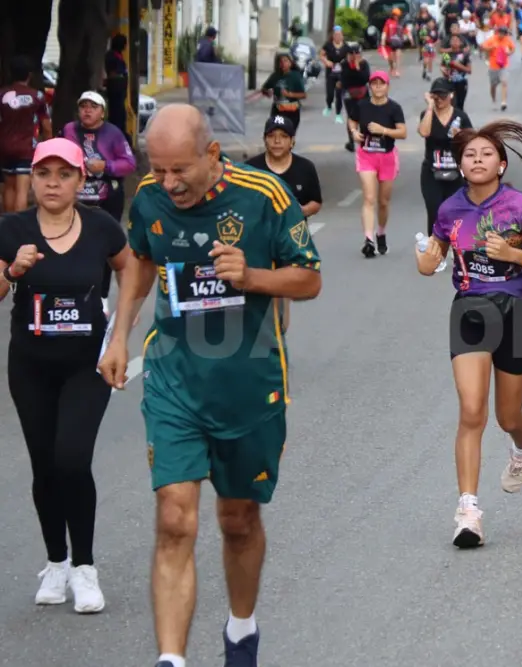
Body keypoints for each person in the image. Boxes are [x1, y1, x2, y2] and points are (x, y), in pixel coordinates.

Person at [97, 104, 322, 667]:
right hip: (174, 377)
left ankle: (241, 632)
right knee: (175, 517)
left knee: (237, 519)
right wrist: (118, 336)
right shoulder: (149, 196)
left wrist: (252, 277)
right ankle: (171, 659)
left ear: (212, 155)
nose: (167, 183)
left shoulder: (263, 196)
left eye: (180, 171)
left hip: (250, 379)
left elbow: (310, 278)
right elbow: (142, 263)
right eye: (158, 169)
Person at [415, 120, 522, 549]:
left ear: (501, 164)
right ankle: (468, 511)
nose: (477, 160)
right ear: (460, 165)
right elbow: (435, 257)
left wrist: (514, 253)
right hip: (471, 309)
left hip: (517, 310)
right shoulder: (448, 210)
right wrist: (427, 262)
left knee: (507, 417)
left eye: (485, 155)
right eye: (469, 155)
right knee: (471, 411)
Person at [0, 138, 130, 614]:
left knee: (72, 458)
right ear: (32, 178)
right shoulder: (11, 228)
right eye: (44, 174)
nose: (53, 183)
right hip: (30, 366)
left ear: (80, 180)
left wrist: (120, 335)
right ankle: (56, 561)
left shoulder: (101, 228)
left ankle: (85, 568)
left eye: (64, 174)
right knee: (44, 465)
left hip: (86, 364)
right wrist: (13, 270)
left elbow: (133, 270)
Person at [245, 115, 323, 333]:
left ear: (292, 141)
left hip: (291, 241)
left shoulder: (305, 168)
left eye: (283, 136)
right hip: (258, 239)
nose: (277, 141)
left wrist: (296, 212)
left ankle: (278, 335)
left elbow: (316, 202)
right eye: (272, 136)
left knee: (280, 293)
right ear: (264, 140)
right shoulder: (251, 169)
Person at [62, 91, 137, 310]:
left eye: (92, 107)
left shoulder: (113, 134)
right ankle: (73, 294)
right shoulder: (69, 130)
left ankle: (102, 297)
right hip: (76, 200)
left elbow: (129, 163)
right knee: (71, 245)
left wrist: (106, 166)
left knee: (105, 248)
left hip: (107, 199)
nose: (87, 110)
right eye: (83, 106)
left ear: (102, 112)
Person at [348, 70, 407, 258]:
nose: (378, 87)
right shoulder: (362, 105)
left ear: (387, 86)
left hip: (387, 156)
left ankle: (380, 233)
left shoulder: (394, 108)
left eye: (382, 84)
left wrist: (383, 130)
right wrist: (353, 132)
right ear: (370, 87)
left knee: (383, 202)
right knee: (369, 198)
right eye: (374, 84)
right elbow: (352, 120)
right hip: (366, 155)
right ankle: (368, 239)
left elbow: (403, 133)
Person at [419, 78, 473, 243]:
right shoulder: (427, 114)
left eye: (442, 96)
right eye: (435, 96)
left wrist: (461, 137)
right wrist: (429, 108)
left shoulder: (460, 117)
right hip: (432, 171)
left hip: (455, 173)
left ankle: (455, 245)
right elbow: (424, 132)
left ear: (451, 95)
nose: (439, 100)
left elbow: (473, 141)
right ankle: (435, 248)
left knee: (454, 211)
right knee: (434, 210)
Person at [0, 56, 52, 213]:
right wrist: (48, 145)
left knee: (9, 187)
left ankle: (7, 223)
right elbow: (46, 125)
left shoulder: (1, 94)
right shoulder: (37, 96)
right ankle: (18, 226)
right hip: (27, 147)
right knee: (22, 190)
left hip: (5, 146)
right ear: (29, 75)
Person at [260, 53, 307, 134]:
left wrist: (289, 94)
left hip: (292, 109)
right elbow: (264, 89)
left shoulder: (295, 76)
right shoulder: (275, 76)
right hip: (277, 109)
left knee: (288, 133)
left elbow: (303, 95)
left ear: (290, 62)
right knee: (276, 131)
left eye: (285, 61)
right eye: (280, 62)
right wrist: (267, 93)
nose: (283, 64)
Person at [339, 44, 372, 152]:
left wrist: (357, 68)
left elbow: (365, 78)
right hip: (349, 94)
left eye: (356, 54)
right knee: (351, 117)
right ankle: (351, 141)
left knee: (365, 116)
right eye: (351, 54)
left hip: (363, 93)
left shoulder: (364, 64)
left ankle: (365, 139)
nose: (354, 57)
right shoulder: (344, 64)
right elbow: (344, 80)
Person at [481, 26, 516, 110]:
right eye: (501, 33)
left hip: (504, 65)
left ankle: (503, 102)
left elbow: (513, 48)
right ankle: (493, 100)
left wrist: (509, 53)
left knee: (504, 82)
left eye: (504, 33)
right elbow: (483, 46)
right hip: (493, 65)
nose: (502, 35)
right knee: (493, 85)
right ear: (498, 33)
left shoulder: (507, 40)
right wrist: (491, 48)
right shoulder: (492, 39)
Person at [319, 25, 349, 124]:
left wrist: (345, 62)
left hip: (341, 73)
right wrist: (326, 62)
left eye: (339, 35)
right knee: (330, 93)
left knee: (339, 94)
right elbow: (321, 55)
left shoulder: (345, 46)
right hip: (330, 72)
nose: (338, 37)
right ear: (333, 36)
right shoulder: (328, 45)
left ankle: (338, 115)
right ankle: (328, 105)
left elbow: (350, 57)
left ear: (342, 36)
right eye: (336, 35)